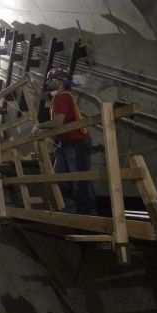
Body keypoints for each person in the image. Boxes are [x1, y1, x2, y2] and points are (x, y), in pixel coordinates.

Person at [32, 67, 96, 215]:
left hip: (76, 143)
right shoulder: (57, 97)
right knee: (60, 177)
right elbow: (41, 95)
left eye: (51, 80)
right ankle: (71, 210)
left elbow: (58, 121)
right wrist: (32, 81)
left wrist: (39, 126)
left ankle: (88, 213)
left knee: (79, 178)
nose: (48, 83)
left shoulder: (63, 97)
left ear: (61, 82)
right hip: (64, 144)